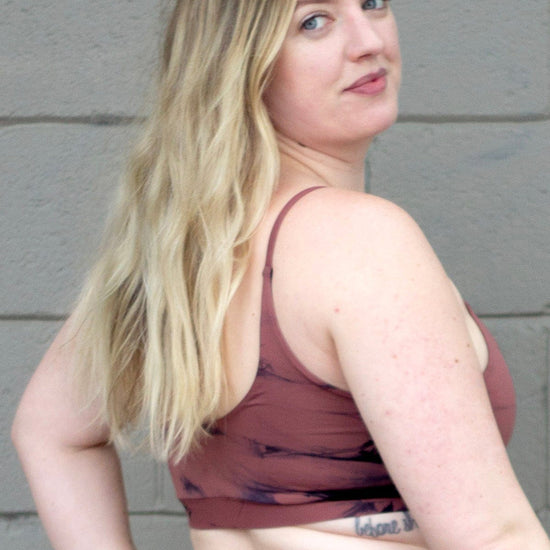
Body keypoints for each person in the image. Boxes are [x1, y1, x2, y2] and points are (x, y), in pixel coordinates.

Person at [11, 1, 550, 549]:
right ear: (242, 64)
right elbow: (491, 535)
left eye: (372, 3)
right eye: (313, 22)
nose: (368, 39)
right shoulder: (361, 240)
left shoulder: (179, 256)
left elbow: (50, 431)